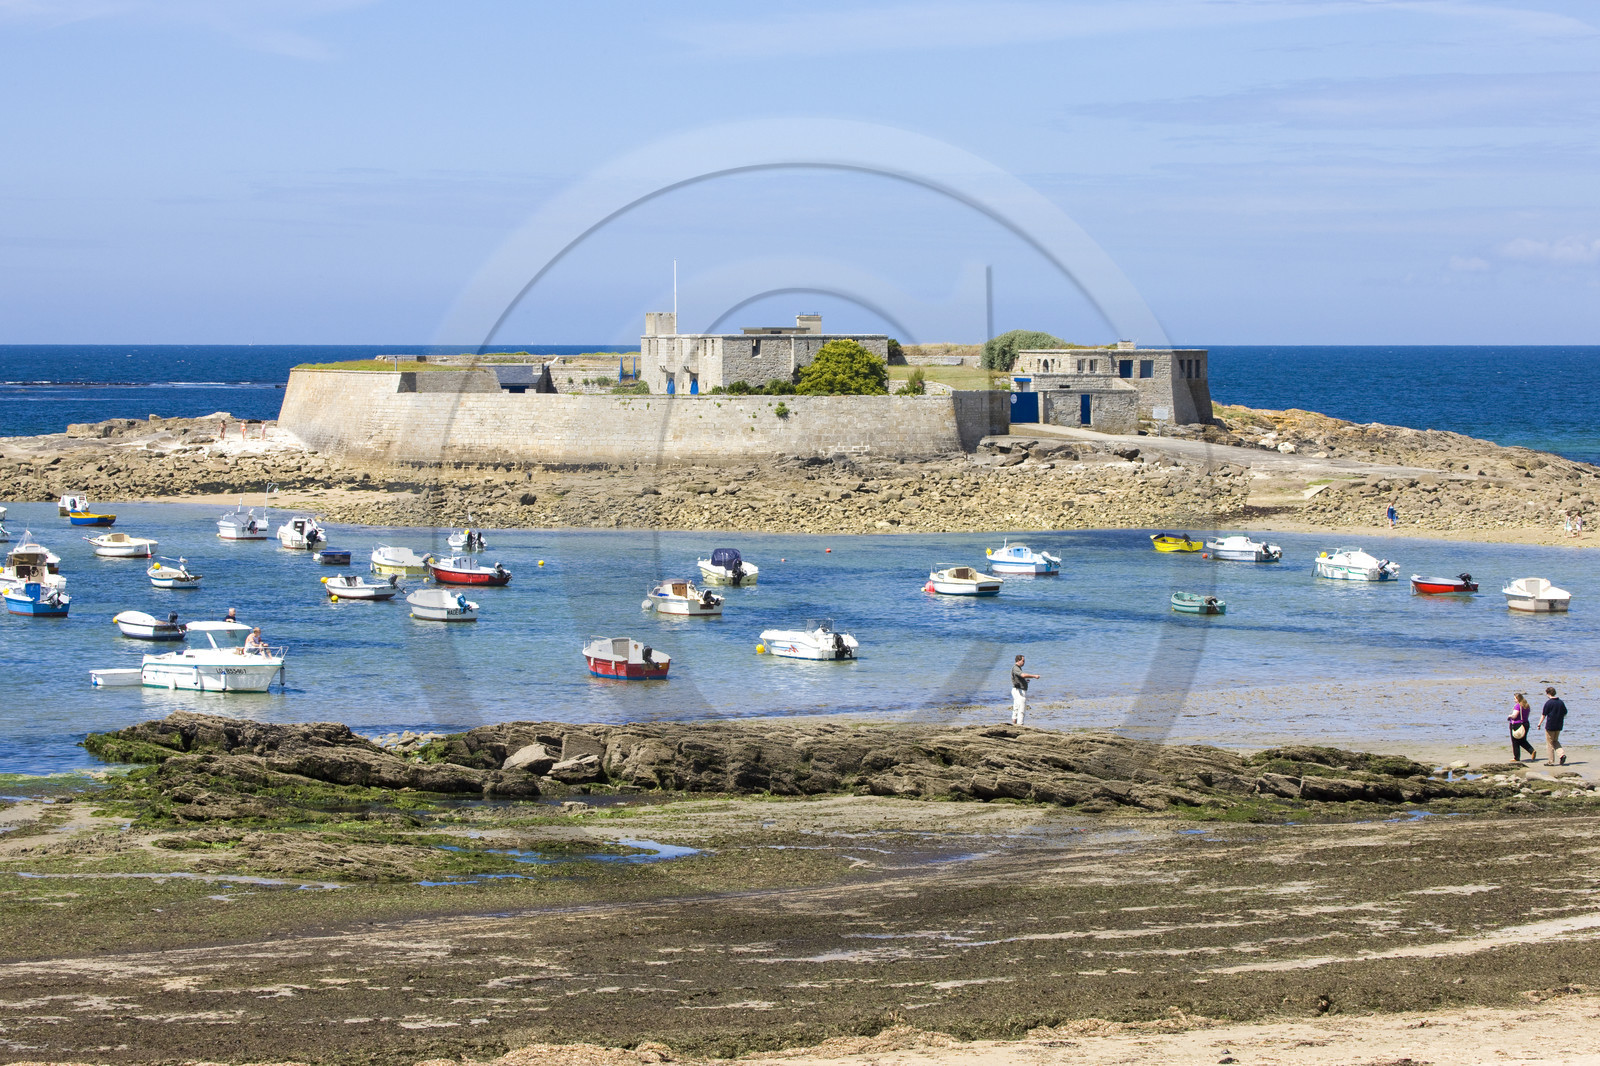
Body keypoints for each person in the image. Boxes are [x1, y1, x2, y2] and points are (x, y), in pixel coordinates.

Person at [1539, 687, 1568, 766]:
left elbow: (1543, 715)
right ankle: (1562, 754)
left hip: (1550, 725)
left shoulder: (1548, 703)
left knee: (1550, 743)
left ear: (1548, 694)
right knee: (1555, 741)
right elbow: (1565, 712)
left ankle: (1551, 761)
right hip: (1559, 725)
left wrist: (1539, 724)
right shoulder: (1561, 702)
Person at [1010, 654, 1040, 726]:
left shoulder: (1017, 668)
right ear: (1018, 660)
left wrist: (1025, 681)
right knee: (1021, 708)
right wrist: (1034, 676)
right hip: (1018, 691)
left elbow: (1019, 678)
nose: (1024, 662)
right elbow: (1022, 675)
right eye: (1023, 661)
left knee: (1016, 708)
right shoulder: (1015, 668)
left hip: (1018, 690)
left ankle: (1014, 724)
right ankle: (1020, 725)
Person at [1508, 692, 1537, 762]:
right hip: (1526, 723)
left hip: (1517, 724)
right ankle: (1531, 750)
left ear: (1518, 699)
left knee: (1515, 741)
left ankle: (1516, 757)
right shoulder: (1526, 706)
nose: (1514, 700)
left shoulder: (1518, 706)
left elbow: (1514, 716)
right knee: (1522, 740)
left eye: (1515, 699)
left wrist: (1509, 716)